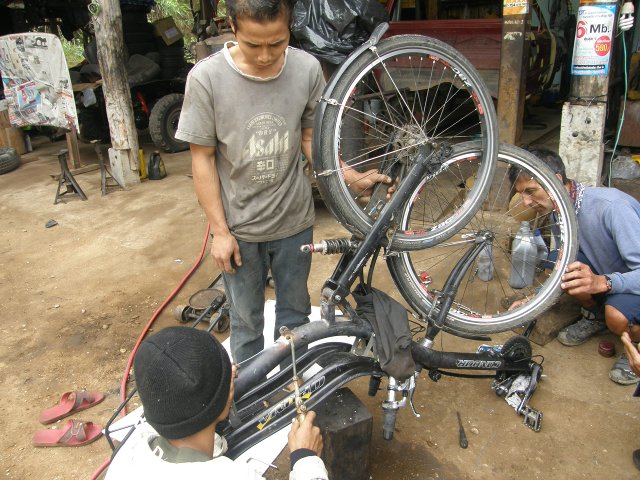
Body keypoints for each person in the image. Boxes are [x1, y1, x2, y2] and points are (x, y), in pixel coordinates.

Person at [175, 0, 391, 363]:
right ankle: (249, 400)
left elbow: (310, 139)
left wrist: (347, 177)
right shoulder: (206, 78)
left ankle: (293, 391)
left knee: (295, 317)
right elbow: (203, 159)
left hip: (294, 223)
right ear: (232, 27)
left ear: (290, 27)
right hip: (240, 228)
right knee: (246, 324)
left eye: (276, 44)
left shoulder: (306, 69)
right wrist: (220, 232)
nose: (264, 56)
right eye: (253, 44)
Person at [105, 326, 328, 479]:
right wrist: (305, 458)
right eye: (227, 376)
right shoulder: (236, 476)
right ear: (220, 404)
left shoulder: (126, 456)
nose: (234, 372)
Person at [511, 147, 640, 385]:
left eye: (531, 191)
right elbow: (565, 263)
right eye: (522, 194)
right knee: (563, 266)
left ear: (556, 181)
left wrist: (604, 282)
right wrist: (536, 298)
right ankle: (596, 318)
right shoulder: (558, 212)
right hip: (609, 279)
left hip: (633, 283)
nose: (527, 202)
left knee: (617, 316)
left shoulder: (611, 207)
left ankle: (634, 346)